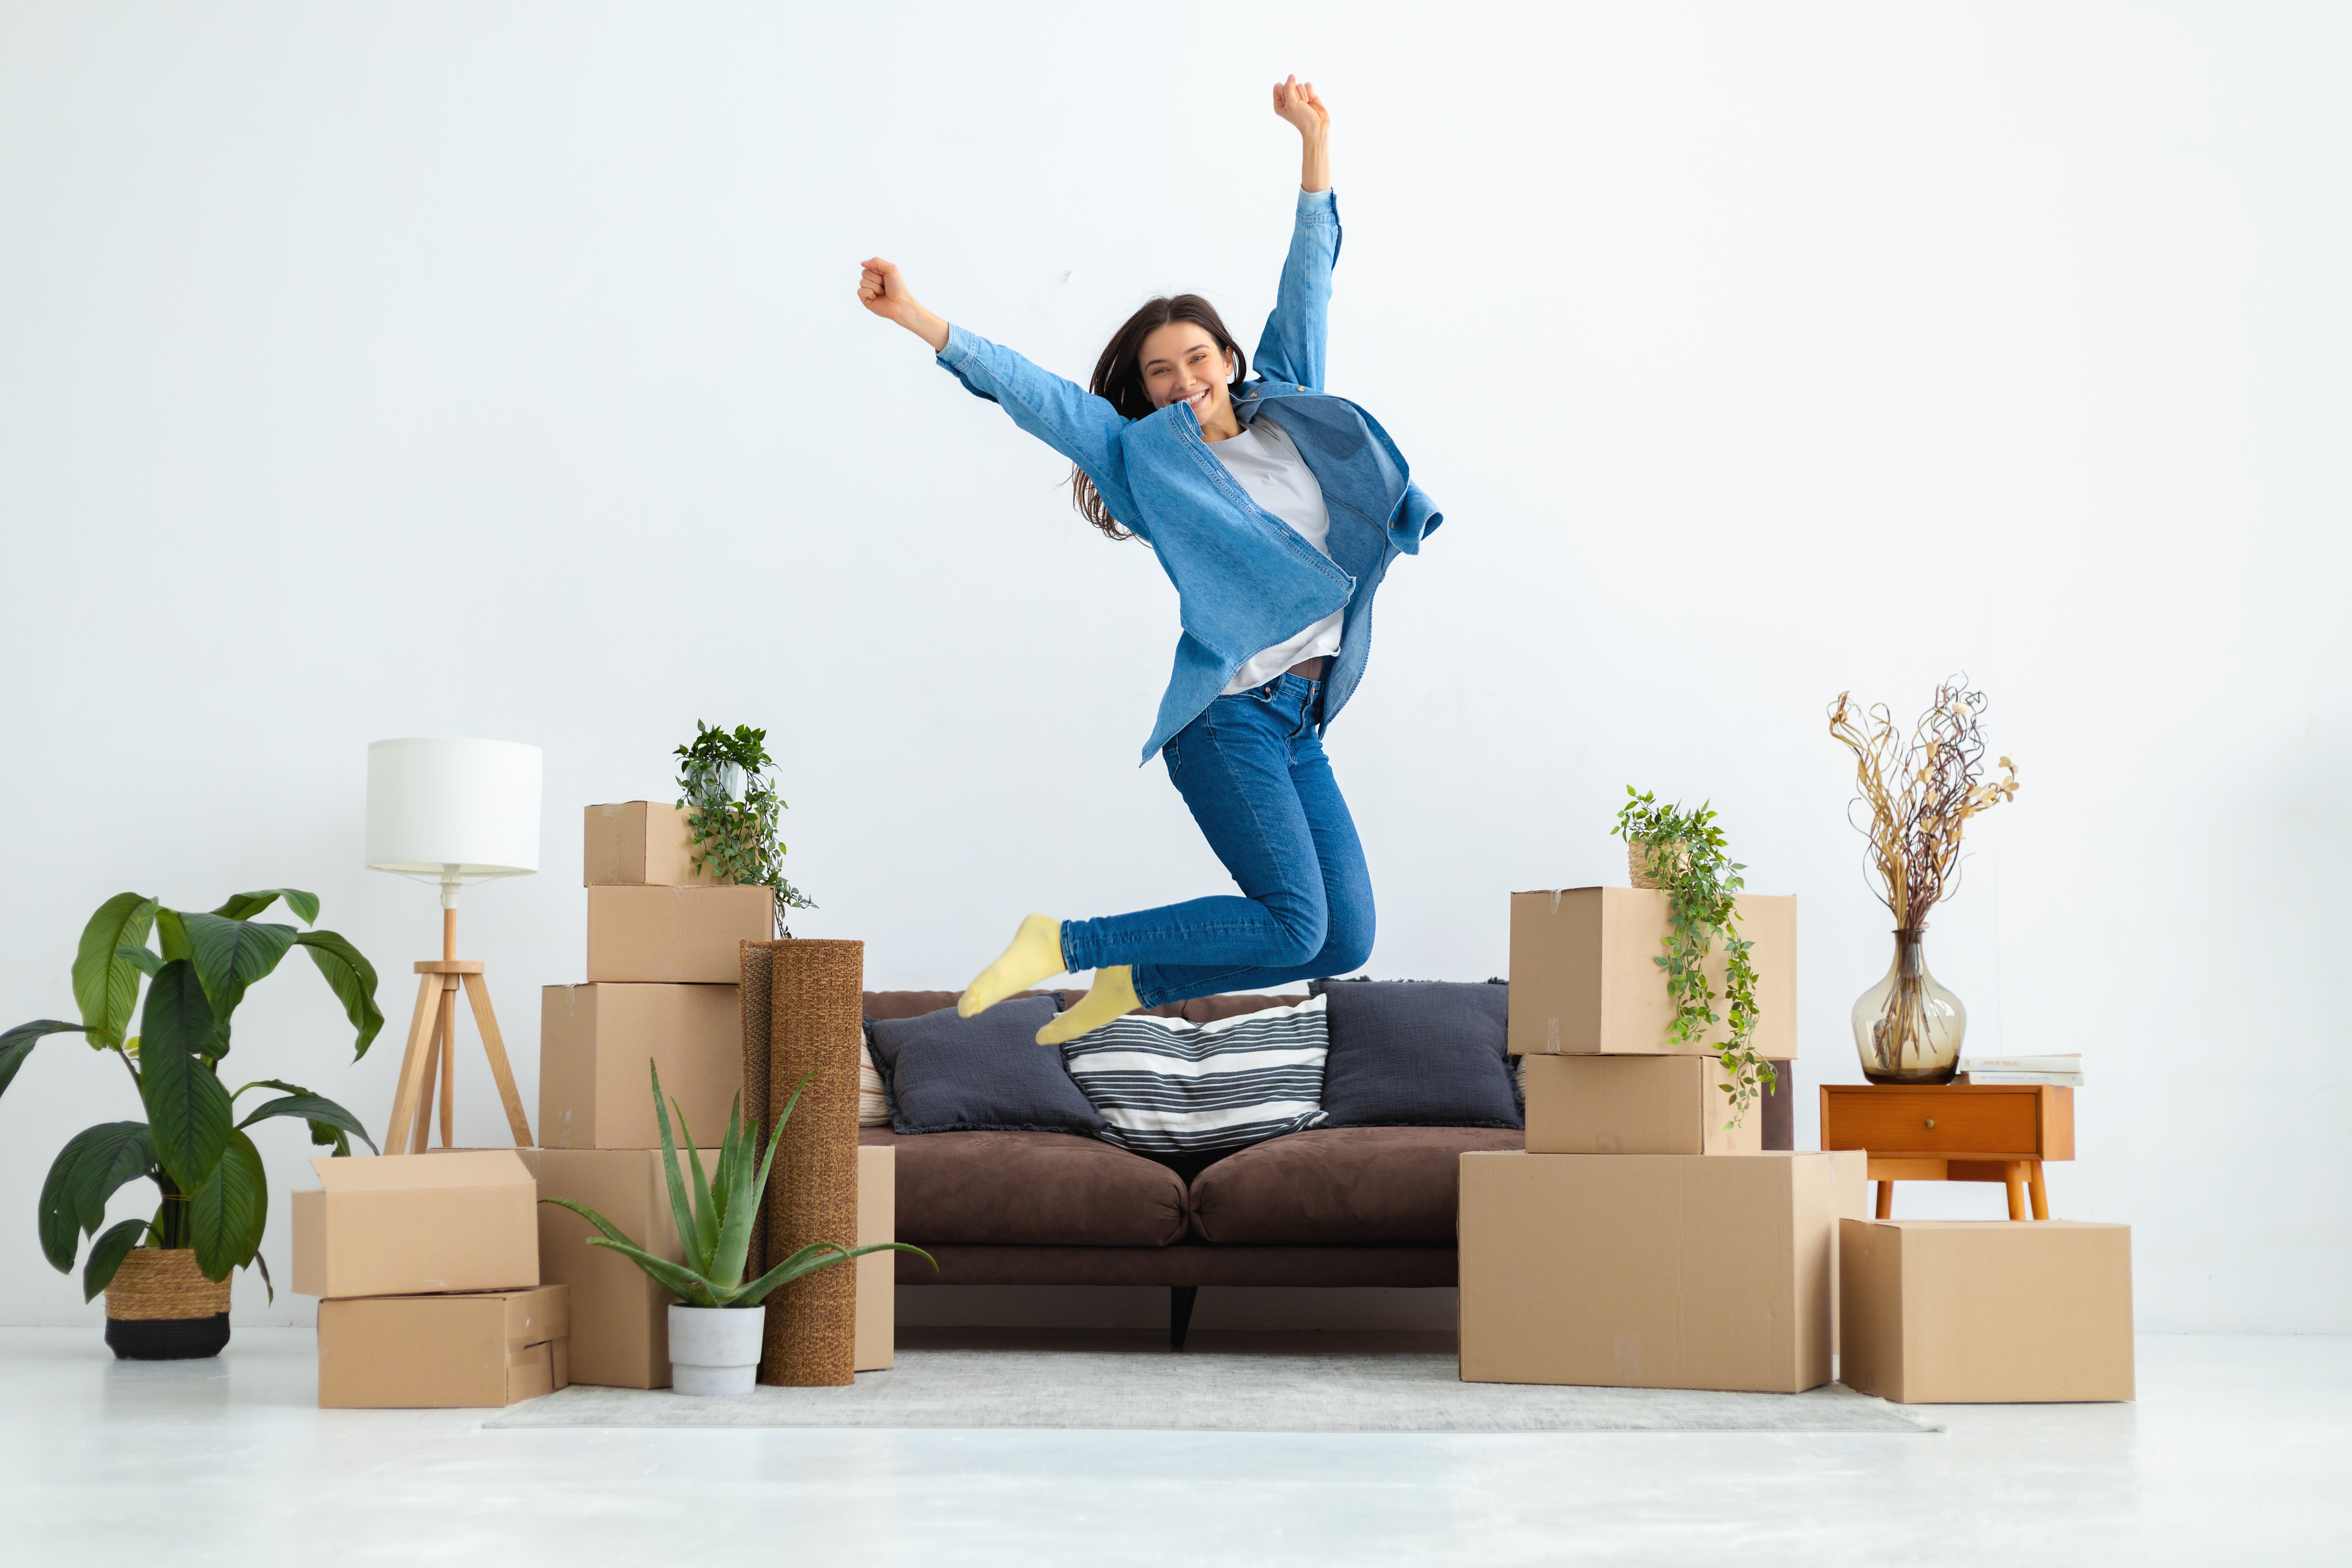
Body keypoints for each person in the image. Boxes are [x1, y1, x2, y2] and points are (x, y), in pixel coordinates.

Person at [856, 75, 1441, 1046]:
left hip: (1300, 722)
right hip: (1228, 722)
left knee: (1342, 937)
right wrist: (921, 318)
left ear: (1229, 357)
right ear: (1144, 391)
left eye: (1198, 358)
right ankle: (1064, 941)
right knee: (1298, 918)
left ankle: (1133, 977)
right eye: (1159, 371)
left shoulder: (1291, 404)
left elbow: (1310, 274)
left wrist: (1314, 144)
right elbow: (1032, 392)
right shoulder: (1142, 458)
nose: (1183, 380)